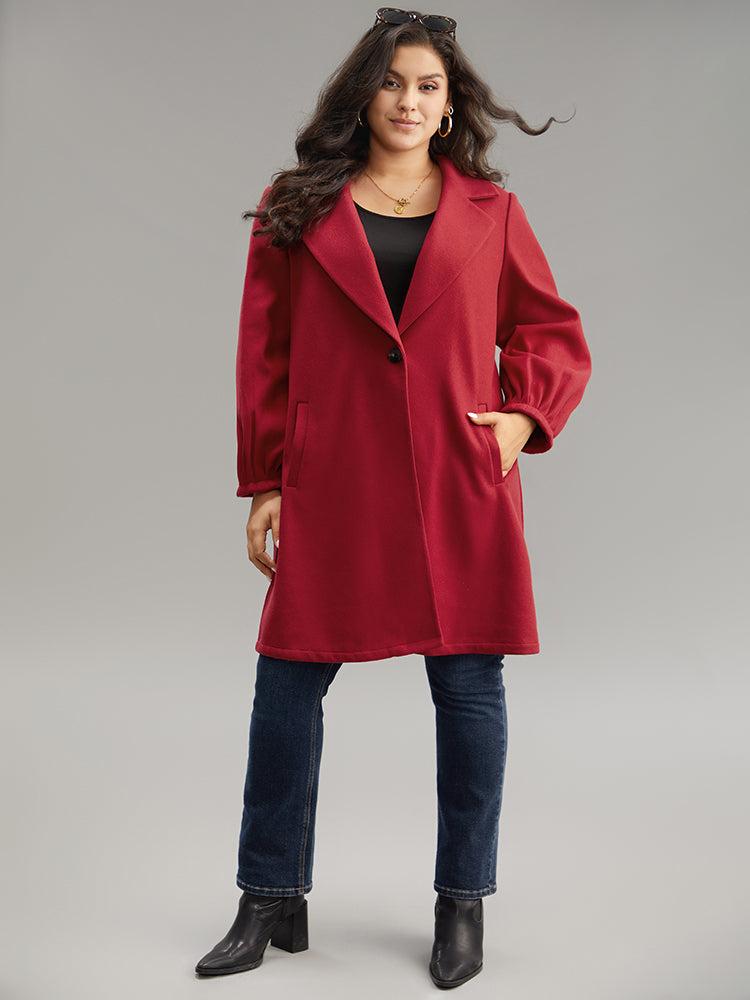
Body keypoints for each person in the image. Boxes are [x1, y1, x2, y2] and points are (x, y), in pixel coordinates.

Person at [195, 6, 592, 989]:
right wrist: (264, 480)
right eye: (392, 82)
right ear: (362, 92)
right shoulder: (296, 205)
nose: (409, 101)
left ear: (450, 105)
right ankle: (268, 897)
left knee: (469, 694)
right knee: (286, 690)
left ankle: (463, 904)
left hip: (457, 482)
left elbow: (552, 332)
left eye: (428, 86)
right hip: (333, 480)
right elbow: (264, 353)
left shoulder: (493, 213)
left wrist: (521, 419)